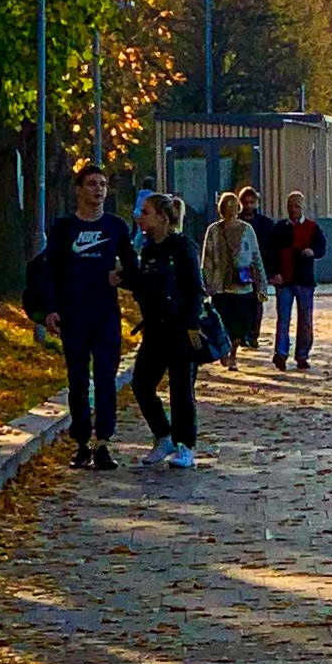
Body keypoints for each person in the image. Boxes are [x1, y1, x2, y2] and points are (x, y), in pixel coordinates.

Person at [36, 161, 135, 467]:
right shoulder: (64, 227)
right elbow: (50, 269)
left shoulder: (115, 227)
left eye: (103, 184)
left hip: (105, 312)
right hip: (73, 313)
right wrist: (50, 309)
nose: (98, 190)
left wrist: (121, 275)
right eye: (92, 184)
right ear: (78, 189)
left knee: (106, 377)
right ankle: (81, 441)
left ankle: (104, 442)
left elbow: (132, 265)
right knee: (78, 379)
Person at [127, 188, 205, 468]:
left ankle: (186, 445)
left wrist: (192, 324)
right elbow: (147, 286)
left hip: (180, 328)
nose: (140, 218)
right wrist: (124, 279)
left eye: (145, 212)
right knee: (141, 384)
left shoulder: (182, 247)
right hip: (155, 329)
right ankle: (163, 435)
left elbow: (195, 289)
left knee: (181, 388)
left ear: (162, 217)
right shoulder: (148, 249)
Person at [204, 182, 266, 353]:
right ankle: (227, 350)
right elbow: (207, 259)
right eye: (227, 205)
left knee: (240, 324)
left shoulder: (247, 229)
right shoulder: (214, 230)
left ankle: (233, 352)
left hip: (242, 285)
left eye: (233, 205)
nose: (230, 209)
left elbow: (255, 258)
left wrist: (261, 286)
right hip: (220, 286)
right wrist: (208, 284)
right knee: (223, 322)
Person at [268, 187, 325, 369]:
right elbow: (271, 253)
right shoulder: (278, 229)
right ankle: (281, 353)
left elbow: (321, 248)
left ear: (303, 207)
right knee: (283, 318)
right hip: (284, 280)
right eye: (291, 206)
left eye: (297, 206)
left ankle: (302, 354)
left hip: (304, 280)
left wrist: (313, 252)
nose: (294, 210)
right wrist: (274, 273)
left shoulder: (312, 228)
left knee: (305, 319)